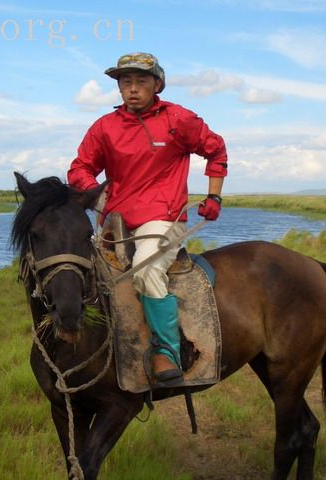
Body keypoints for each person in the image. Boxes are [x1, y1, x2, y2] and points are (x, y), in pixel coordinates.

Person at [67, 52, 228, 383]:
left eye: (141, 81)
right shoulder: (105, 127)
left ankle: (167, 351)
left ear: (158, 84)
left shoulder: (178, 120)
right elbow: (80, 167)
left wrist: (213, 195)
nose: (133, 88)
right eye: (126, 82)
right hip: (114, 223)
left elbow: (216, 149)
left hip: (163, 219)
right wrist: (96, 192)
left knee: (146, 268)